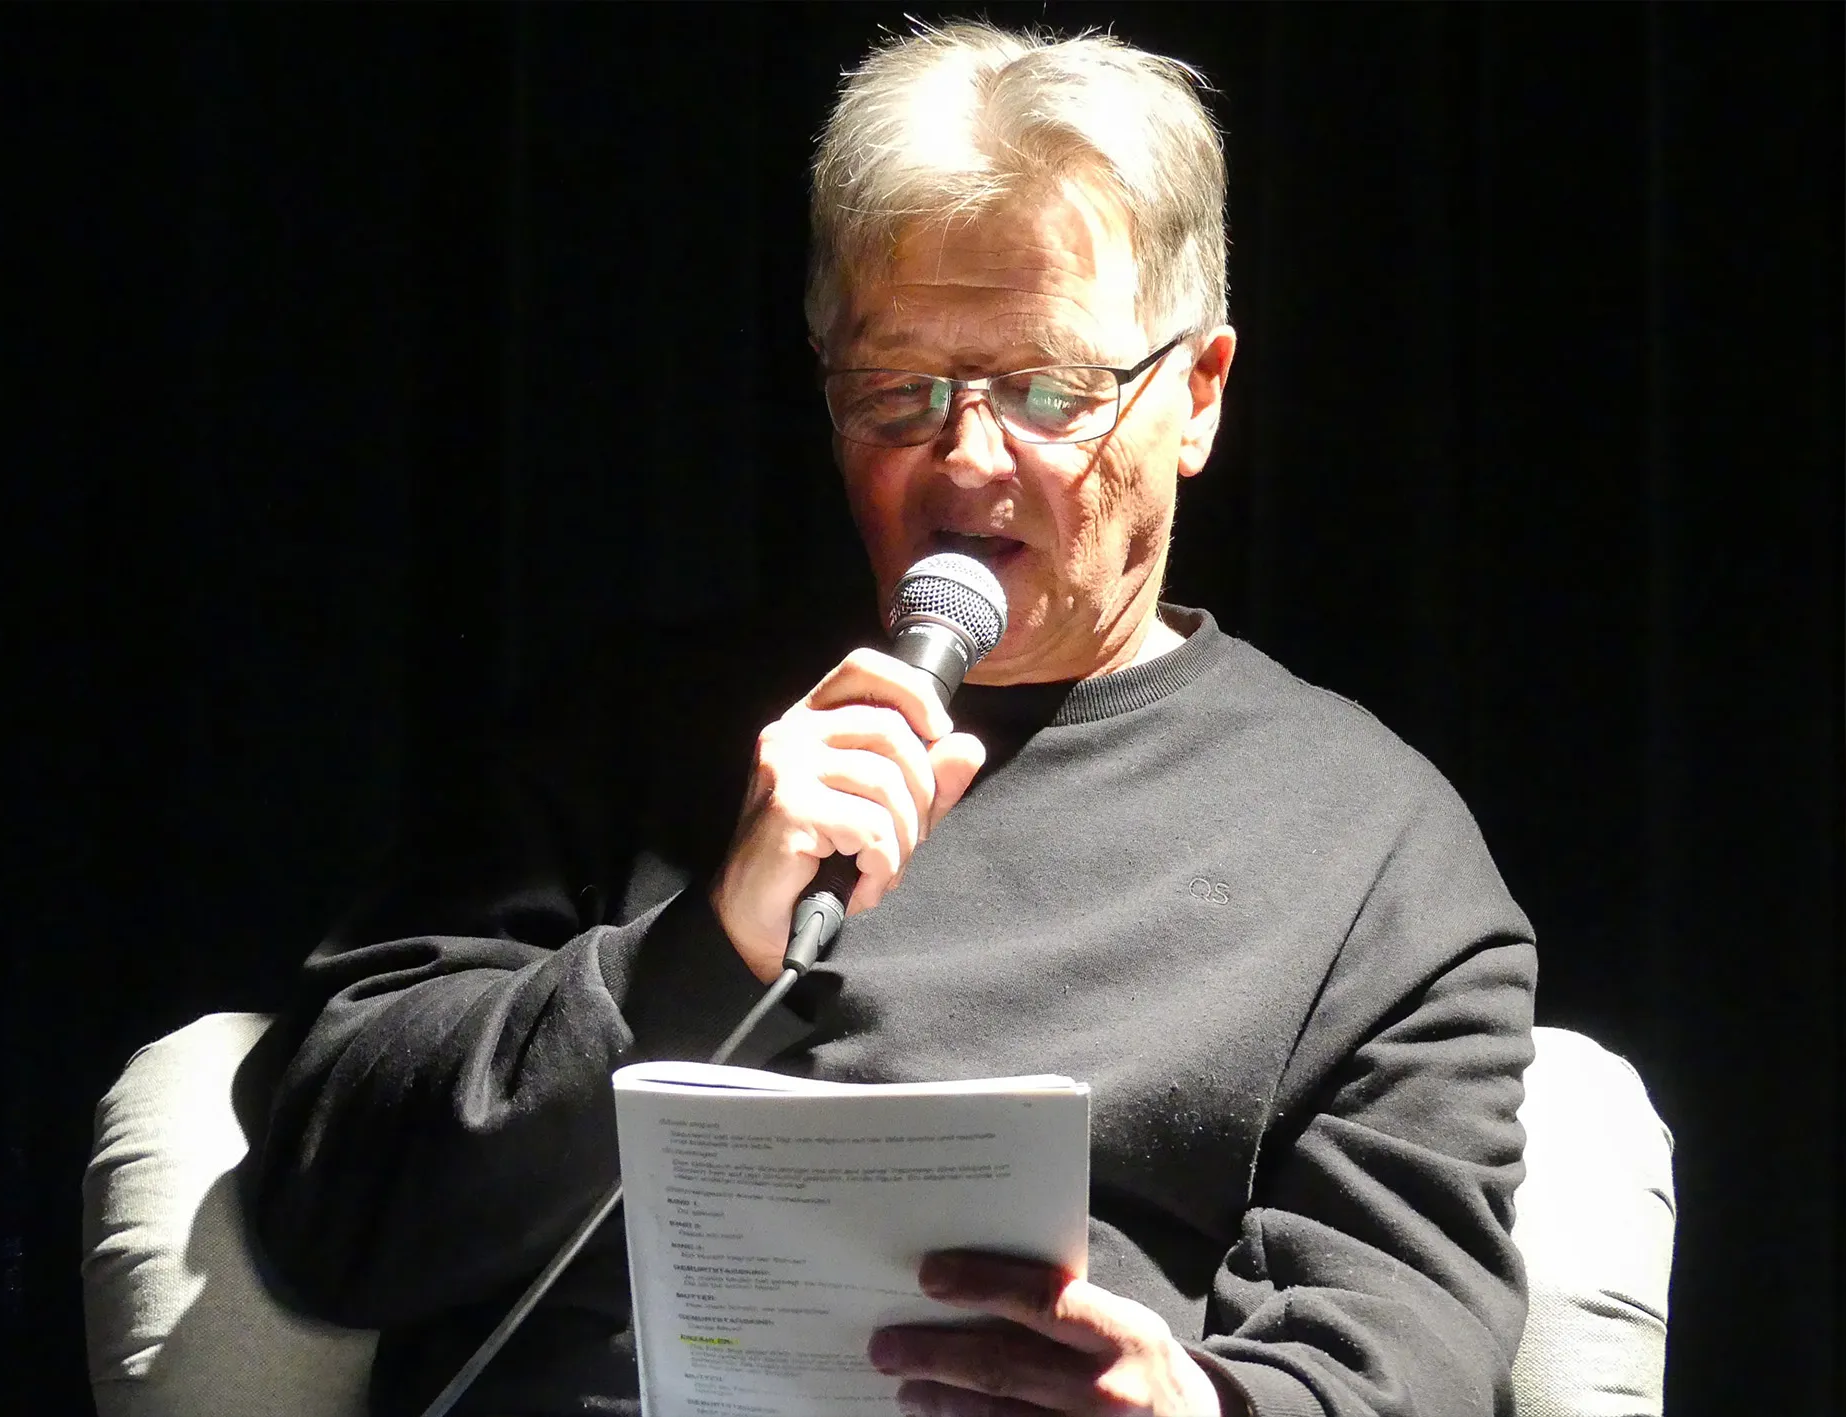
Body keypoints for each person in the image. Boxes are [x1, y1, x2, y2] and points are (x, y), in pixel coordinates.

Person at [249, 21, 1537, 1417]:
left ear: (1197, 397)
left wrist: (1199, 1409)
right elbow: (328, 1204)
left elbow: (1400, 1350)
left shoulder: (1364, 841)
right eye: (895, 391)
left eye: (1046, 391)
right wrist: (699, 954)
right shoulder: (627, 731)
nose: (963, 457)